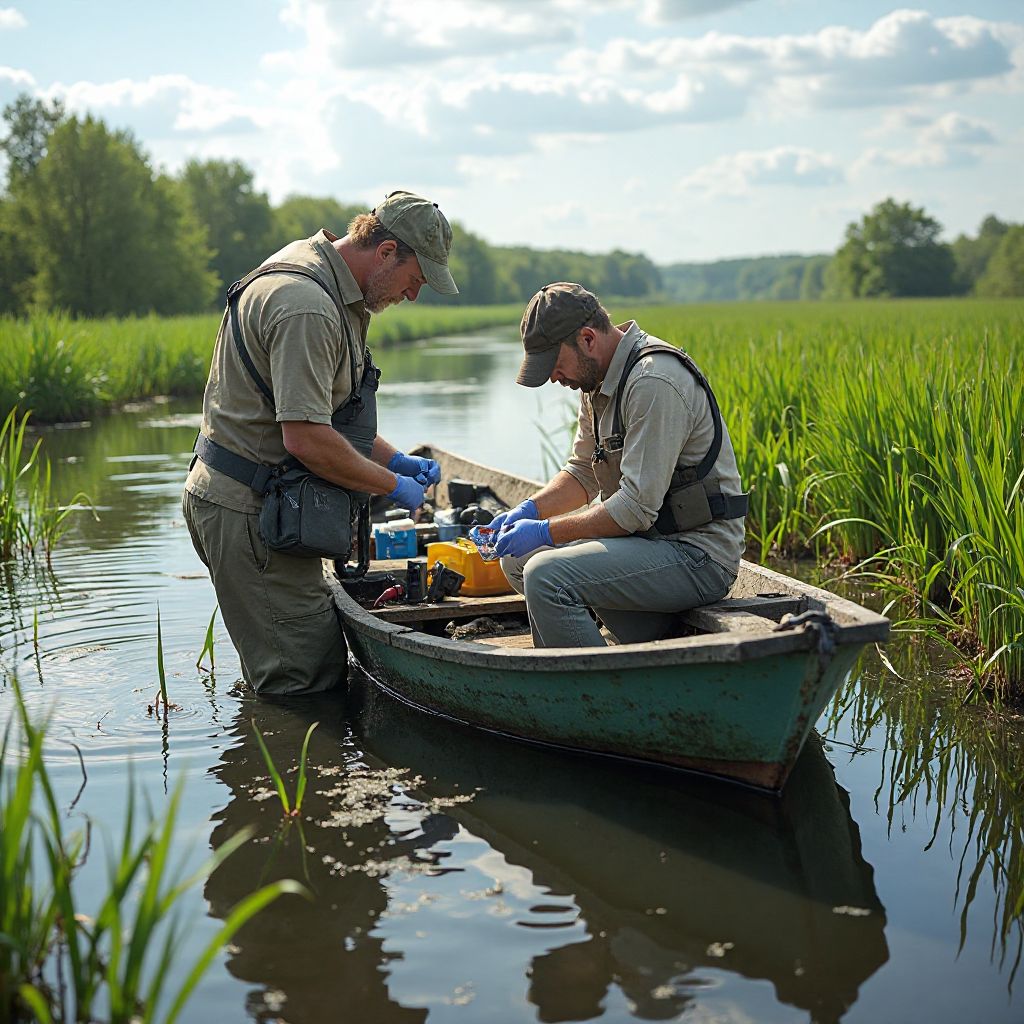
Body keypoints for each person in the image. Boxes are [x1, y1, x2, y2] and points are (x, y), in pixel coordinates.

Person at [182, 190, 458, 695]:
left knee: (300, 663)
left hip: (264, 503)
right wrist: (392, 483)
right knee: (303, 681)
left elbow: (326, 415)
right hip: (249, 511)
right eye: (415, 280)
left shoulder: (332, 283)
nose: (412, 295)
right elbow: (307, 438)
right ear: (387, 252)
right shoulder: (308, 306)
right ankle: (278, 772)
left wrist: (392, 458)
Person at [492, 282, 747, 648]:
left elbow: (635, 510)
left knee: (546, 576)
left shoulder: (652, 381)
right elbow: (582, 471)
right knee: (516, 558)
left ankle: (593, 690)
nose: (552, 378)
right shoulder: (595, 381)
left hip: (696, 556)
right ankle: (632, 637)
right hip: (646, 546)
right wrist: (527, 510)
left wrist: (545, 531)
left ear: (587, 339)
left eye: (554, 364)